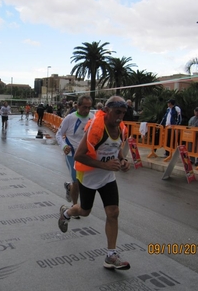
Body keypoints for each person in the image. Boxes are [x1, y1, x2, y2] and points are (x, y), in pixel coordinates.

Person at [58, 96, 130, 270]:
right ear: (106, 111)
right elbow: (79, 155)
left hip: (107, 178)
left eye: (123, 113)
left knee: (113, 213)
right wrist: (105, 164)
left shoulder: (120, 129)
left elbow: (116, 148)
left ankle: (111, 255)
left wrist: (123, 160)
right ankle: (66, 212)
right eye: (117, 112)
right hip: (89, 176)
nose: (120, 116)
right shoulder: (96, 129)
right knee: (84, 211)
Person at [56, 95, 93, 214]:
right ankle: (75, 206)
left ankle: (69, 187)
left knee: (84, 182)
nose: (87, 110)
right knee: (76, 181)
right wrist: (64, 146)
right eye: (84, 107)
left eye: (89, 107)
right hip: (72, 154)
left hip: (86, 155)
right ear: (77, 106)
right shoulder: (70, 118)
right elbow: (59, 134)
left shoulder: (93, 118)